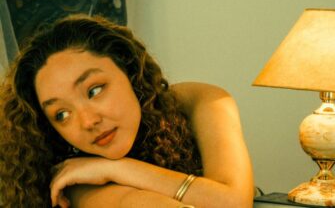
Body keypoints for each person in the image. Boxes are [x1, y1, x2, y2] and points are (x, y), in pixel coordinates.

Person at [0, 14, 254, 208]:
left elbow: (233, 201)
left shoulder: (202, 101)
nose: (88, 121)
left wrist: (118, 168)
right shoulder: (72, 180)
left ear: (130, 71)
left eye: (94, 90)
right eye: (61, 114)